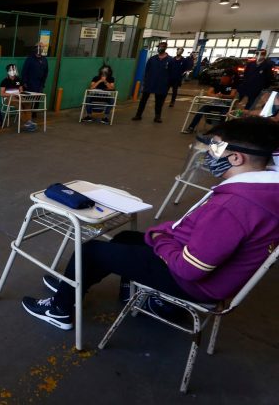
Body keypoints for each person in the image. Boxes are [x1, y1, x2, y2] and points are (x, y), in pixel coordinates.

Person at [20, 117, 279, 330]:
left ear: (236, 158)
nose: (210, 153)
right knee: (125, 239)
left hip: (195, 284)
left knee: (91, 251)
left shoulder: (234, 206)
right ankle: (79, 286)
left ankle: (60, 310)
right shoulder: (264, 191)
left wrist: (160, 238)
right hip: (214, 275)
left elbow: (190, 269)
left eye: (216, 147)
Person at [133, 42, 172, 123]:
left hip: (162, 84)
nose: (160, 48)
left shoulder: (170, 60)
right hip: (150, 82)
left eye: (162, 47)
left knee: (159, 101)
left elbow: (172, 73)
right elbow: (147, 71)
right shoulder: (152, 59)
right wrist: (145, 82)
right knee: (143, 100)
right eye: (159, 47)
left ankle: (157, 117)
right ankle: (138, 115)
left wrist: (168, 84)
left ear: (165, 48)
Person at [21, 43, 49, 132]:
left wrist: (43, 83)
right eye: (39, 47)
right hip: (29, 84)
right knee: (27, 102)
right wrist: (24, 82)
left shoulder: (44, 59)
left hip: (39, 84)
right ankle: (27, 119)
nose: (40, 49)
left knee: (37, 100)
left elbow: (46, 72)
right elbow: (24, 71)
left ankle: (33, 115)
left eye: (42, 47)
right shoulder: (30, 59)